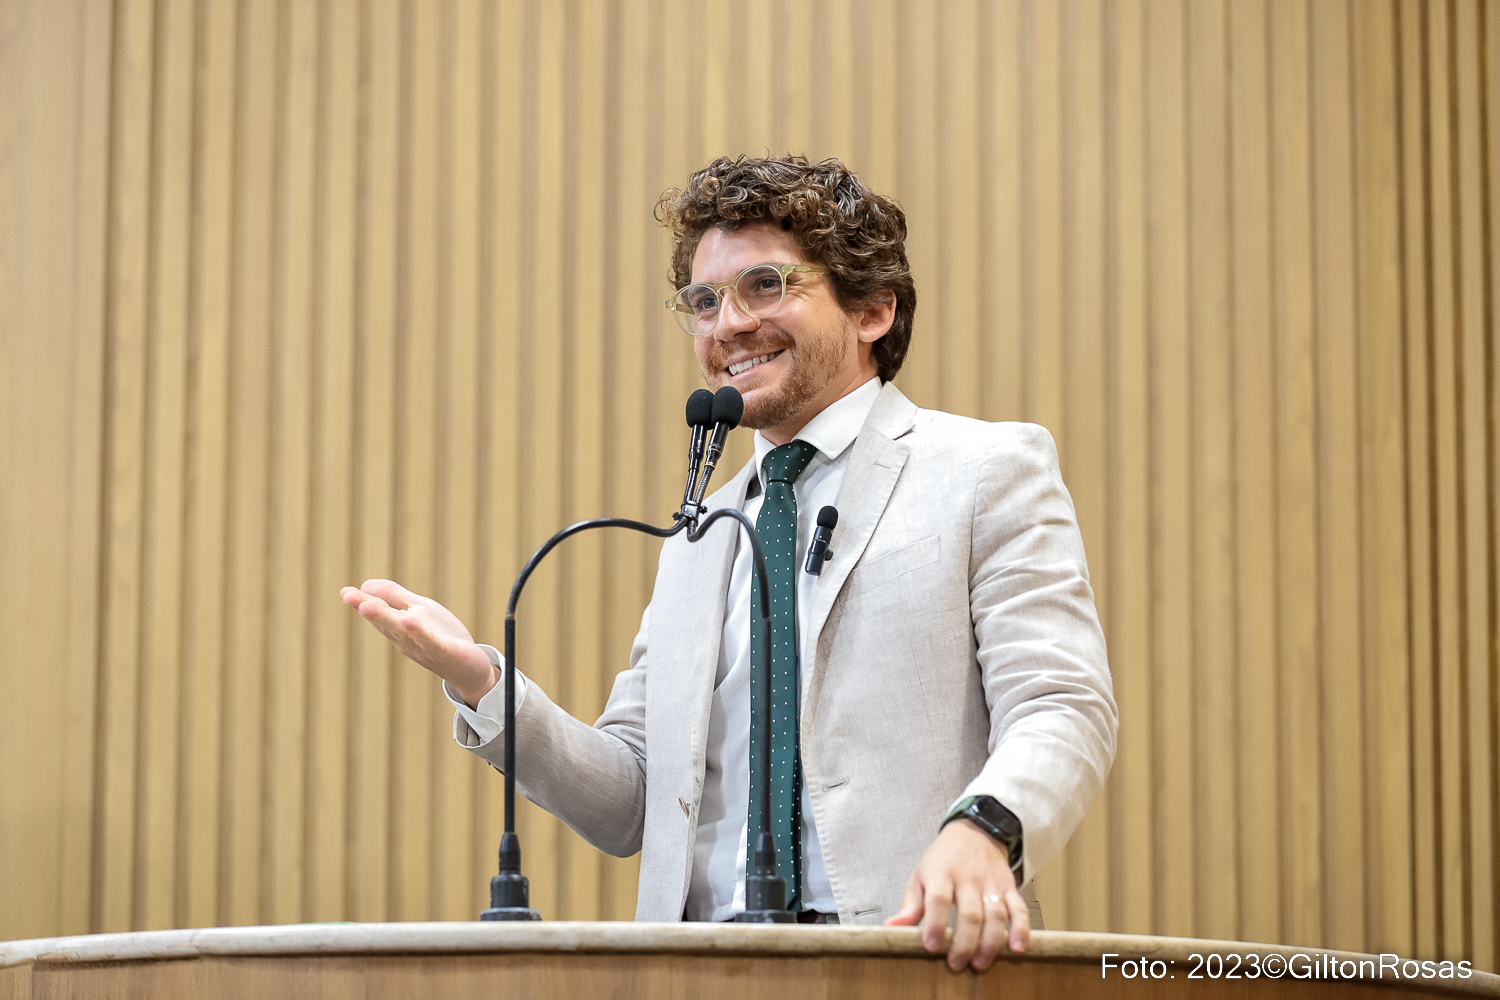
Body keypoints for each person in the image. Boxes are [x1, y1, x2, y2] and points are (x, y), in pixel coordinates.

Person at [341, 154, 1116, 972]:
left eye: (764, 286)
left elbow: (1062, 704)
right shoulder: (700, 533)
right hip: (700, 971)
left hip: (914, 960)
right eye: (704, 301)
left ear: (872, 310)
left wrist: (985, 829)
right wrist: (484, 685)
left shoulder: (986, 471)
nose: (726, 325)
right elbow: (632, 802)